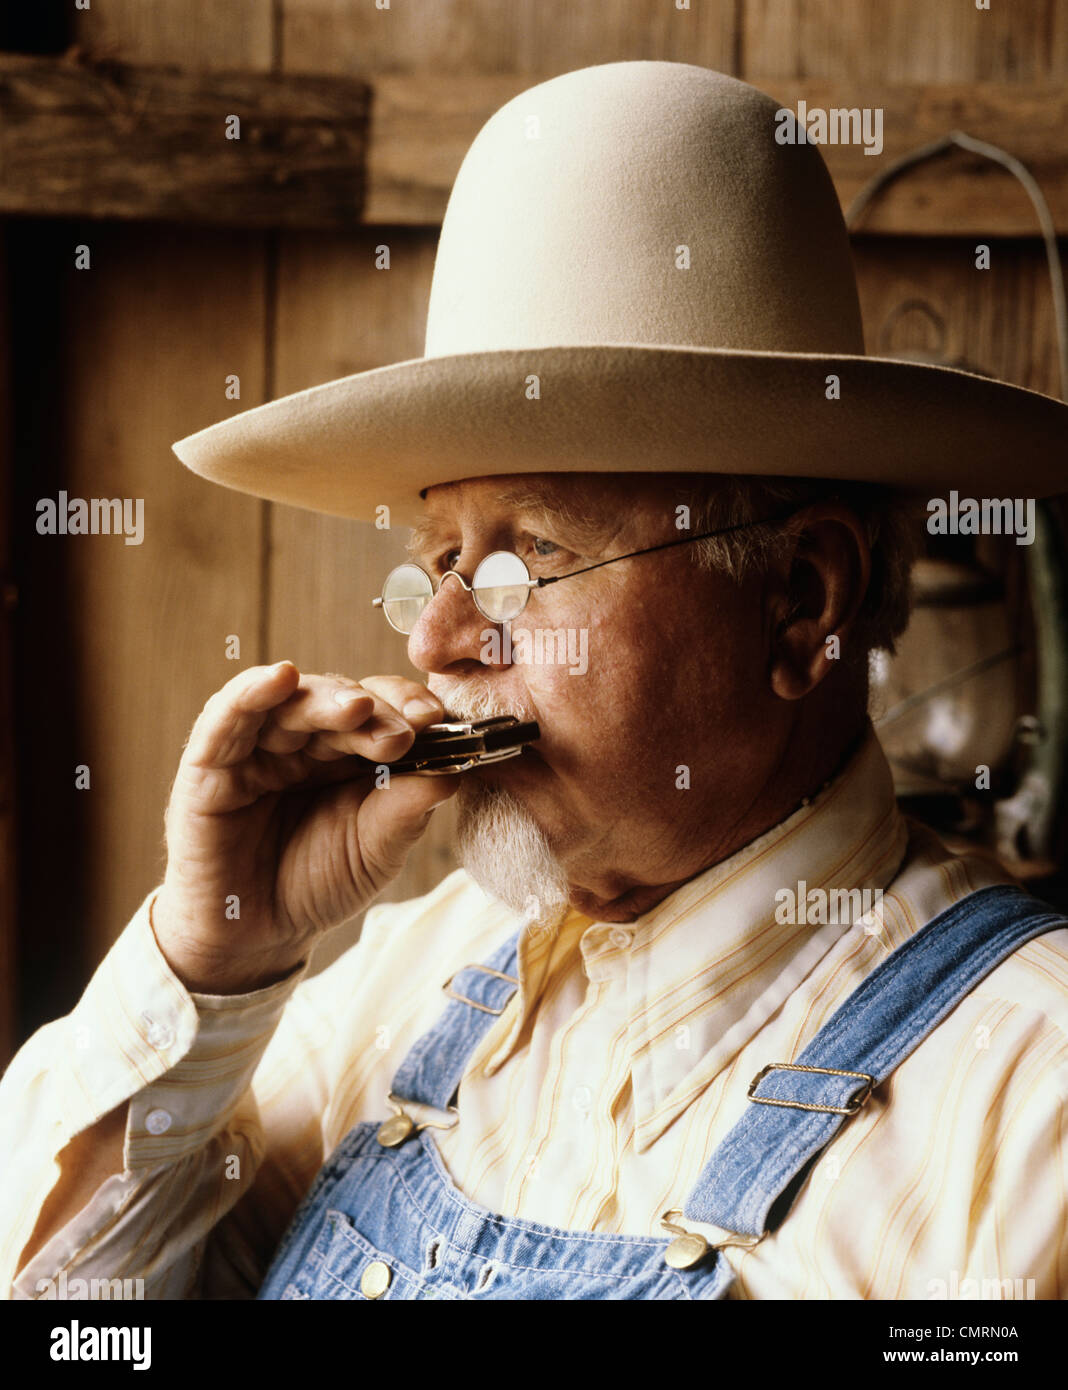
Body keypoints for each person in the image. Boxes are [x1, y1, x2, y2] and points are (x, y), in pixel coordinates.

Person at [3, 61, 1067, 1302]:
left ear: (801, 599)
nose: (438, 639)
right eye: (438, 560)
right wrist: (212, 955)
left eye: (529, 558)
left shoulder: (1026, 1100)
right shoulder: (405, 976)